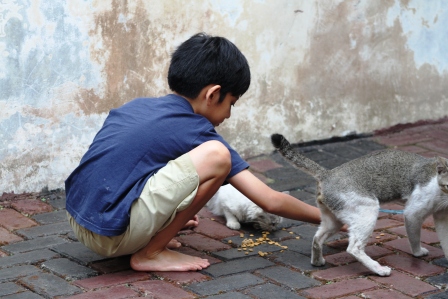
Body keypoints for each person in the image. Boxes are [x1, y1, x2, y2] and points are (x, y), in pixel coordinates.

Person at [65, 32, 322, 272]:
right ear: (213, 94)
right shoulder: (196, 130)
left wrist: (164, 220)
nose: (229, 115)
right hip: (109, 235)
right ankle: (151, 253)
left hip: (79, 217)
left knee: (177, 162)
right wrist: (331, 218)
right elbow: (271, 201)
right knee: (217, 157)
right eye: (231, 104)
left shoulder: (139, 106)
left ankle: (150, 237)